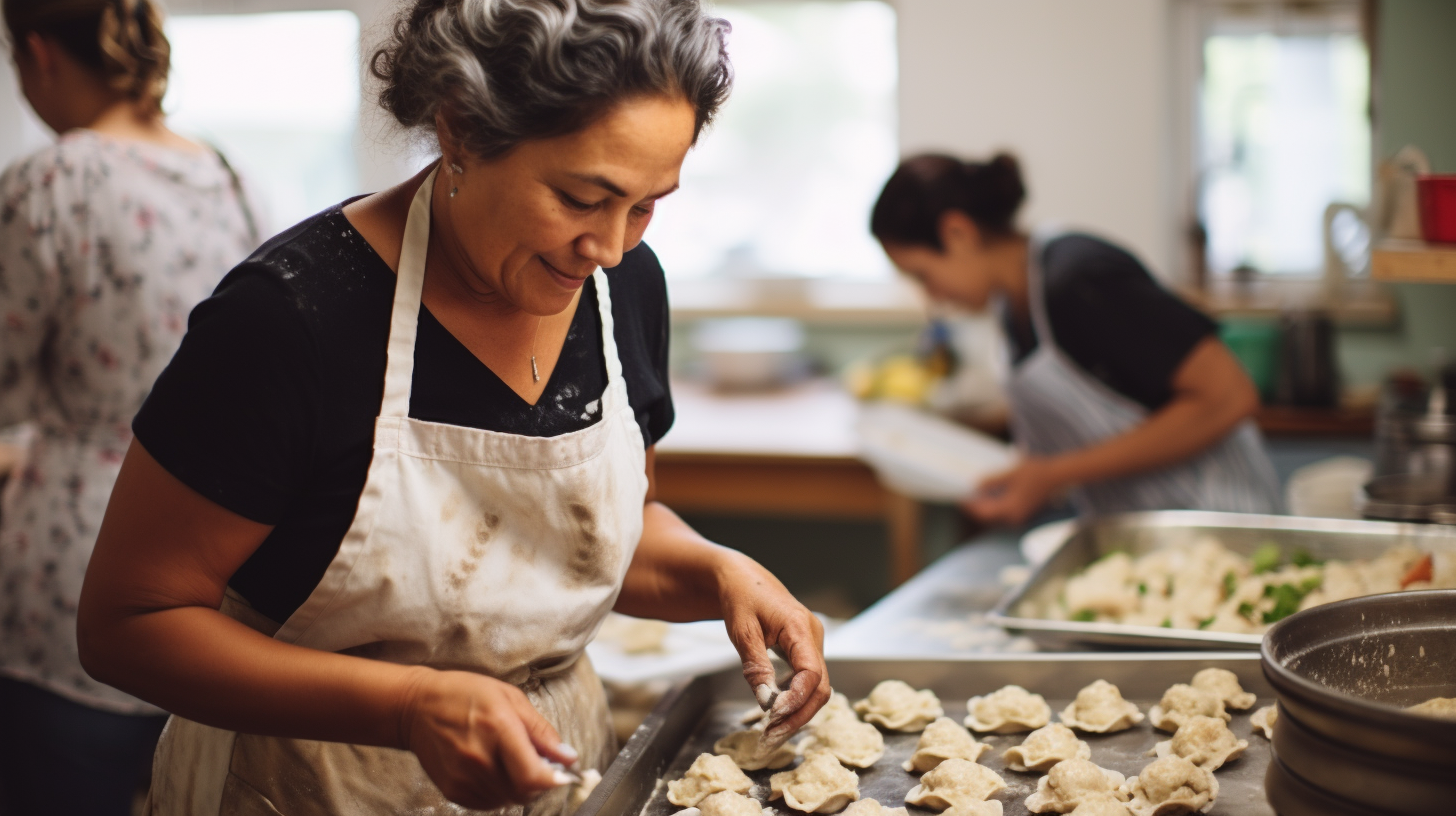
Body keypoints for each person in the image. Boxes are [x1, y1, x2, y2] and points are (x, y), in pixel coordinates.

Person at [75, 1, 830, 813]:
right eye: (582, 198)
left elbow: (597, 538)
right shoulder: (291, 318)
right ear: (461, 129)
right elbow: (130, 623)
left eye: (646, 205)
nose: (611, 245)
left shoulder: (623, 289)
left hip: (552, 774)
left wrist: (719, 571)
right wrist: (408, 705)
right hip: (304, 787)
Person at [0, 0, 259, 812]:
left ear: (37, 54)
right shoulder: (224, 174)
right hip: (212, 570)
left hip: (71, 570)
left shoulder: (57, 177)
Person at [871, 153, 1280, 526]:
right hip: (1144, 532)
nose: (931, 297)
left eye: (923, 275)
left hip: (1219, 519)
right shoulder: (1010, 306)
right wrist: (1026, 481)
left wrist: (1052, 475)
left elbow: (1230, 395)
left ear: (958, 232)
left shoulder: (1080, 279)